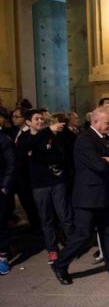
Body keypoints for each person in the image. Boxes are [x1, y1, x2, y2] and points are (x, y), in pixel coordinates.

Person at [51, 107, 109, 285]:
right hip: (88, 197)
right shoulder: (84, 140)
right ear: (96, 122)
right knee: (82, 235)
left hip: (107, 195)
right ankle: (60, 264)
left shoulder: (105, 139)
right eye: (108, 123)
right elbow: (100, 166)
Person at [21, 109, 74, 264]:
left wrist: (40, 155)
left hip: (58, 181)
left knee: (65, 215)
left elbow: (62, 155)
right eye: (36, 119)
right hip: (39, 184)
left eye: (42, 119)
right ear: (28, 122)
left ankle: (73, 245)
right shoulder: (26, 138)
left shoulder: (51, 134)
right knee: (46, 219)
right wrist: (47, 134)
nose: (40, 121)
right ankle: (52, 249)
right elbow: (26, 147)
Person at [0, 132, 15, 275]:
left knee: (1, 224)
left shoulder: (3, 139)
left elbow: (11, 164)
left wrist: (4, 187)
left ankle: (3, 257)